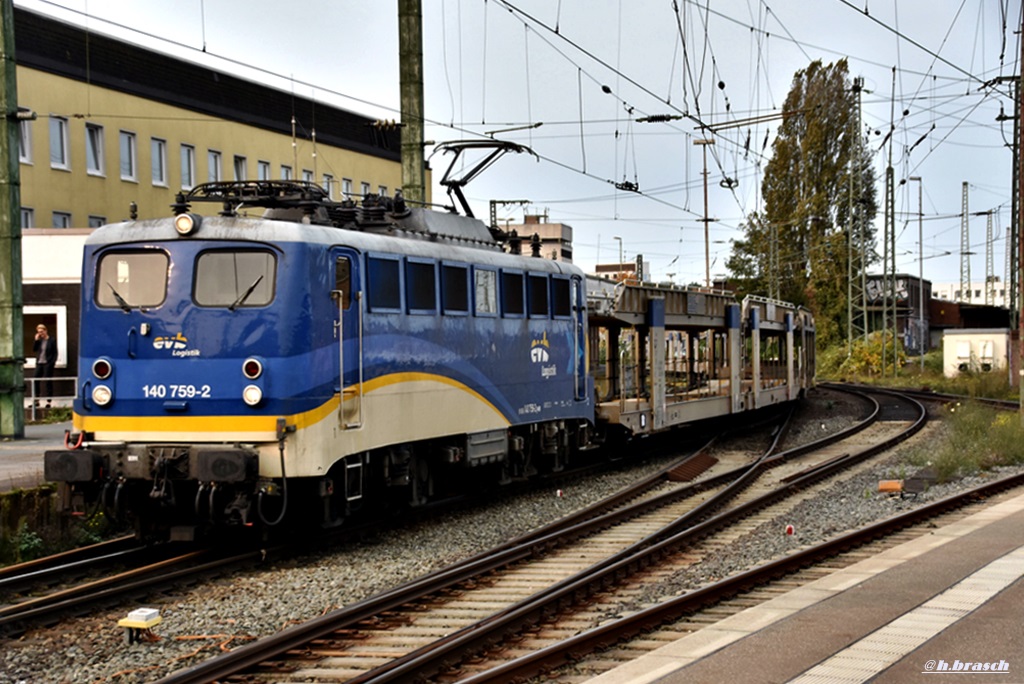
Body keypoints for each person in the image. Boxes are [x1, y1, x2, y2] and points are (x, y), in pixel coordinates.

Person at [33, 324, 57, 407]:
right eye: (39, 332)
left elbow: (55, 353)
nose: (41, 334)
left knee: (48, 381)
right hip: (39, 363)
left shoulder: (51, 340)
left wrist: (52, 363)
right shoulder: (39, 341)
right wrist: (36, 340)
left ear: (45, 331)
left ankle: (48, 401)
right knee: (35, 380)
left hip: (48, 363)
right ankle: (36, 400)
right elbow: (34, 350)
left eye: (42, 331)